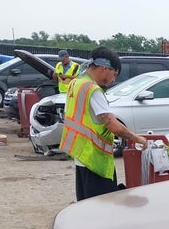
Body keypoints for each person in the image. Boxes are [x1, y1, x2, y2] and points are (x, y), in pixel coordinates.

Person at [59, 47, 148, 201]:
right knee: (103, 209)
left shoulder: (76, 83)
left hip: (81, 155)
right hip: (95, 160)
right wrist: (137, 138)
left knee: (86, 206)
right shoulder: (93, 90)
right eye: (114, 75)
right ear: (105, 69)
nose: (113, 80)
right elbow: (111, 123)